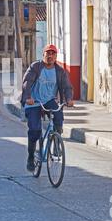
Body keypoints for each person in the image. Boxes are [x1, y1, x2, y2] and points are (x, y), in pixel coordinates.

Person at [21, 44, 74, 172]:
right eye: (47, 53)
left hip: (49, 100)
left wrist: (68, 99)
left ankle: (56, 143)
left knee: (58, 117)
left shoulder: (60, 71)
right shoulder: (36, 67)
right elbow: (27, 82)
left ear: (56, 56)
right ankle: (30, 157)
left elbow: (67, 86)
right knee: (34, 130)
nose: (50, 56)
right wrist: (28, 97)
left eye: (53, 54)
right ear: (43, 54)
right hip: (34, 101)